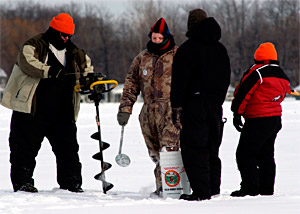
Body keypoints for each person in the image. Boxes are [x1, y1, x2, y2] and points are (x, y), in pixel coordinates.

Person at [1, 13, 96, 193]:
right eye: (63, 35)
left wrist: (91, 82)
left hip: (63, 113)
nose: (66, 38)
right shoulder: (34, 45)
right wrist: (50, 71)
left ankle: (72, 185)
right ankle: (23, 184)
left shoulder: (76, 53)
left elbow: (87, 70)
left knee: (69, 153)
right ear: (54, 30)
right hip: (32, 110)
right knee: (24, 151)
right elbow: (27, 63)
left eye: (69, 36)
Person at [170, 9, 231, 201]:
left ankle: (201, 192)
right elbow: (226, 78)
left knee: (195, 148)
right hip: (215, 104)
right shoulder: (220, 49)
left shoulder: (187, 49)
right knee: (213, 148)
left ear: (190, 26)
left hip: (194, 105)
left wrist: (176, 106)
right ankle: (213, 188)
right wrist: (217, 99)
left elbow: (179, 81)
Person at [117, 17, 180, 197]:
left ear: (167, 37)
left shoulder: (177, 55)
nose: (157, 41)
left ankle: (171, 189)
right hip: (148, 113)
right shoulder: (142, 57)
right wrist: (125, 108)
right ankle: (162, 188)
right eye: (154, 38)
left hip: (171, 111)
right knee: (155, 154)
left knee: (169, 151)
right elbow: (131, 83)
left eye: (160, 38)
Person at [230, 42, 293, 197]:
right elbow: (283, 94)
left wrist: (237, 113)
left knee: (245, 154)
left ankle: (250, 188)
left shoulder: (257, 72)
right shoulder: (281, 74)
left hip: (257, 119)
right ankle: (266, 189)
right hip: (275, 119)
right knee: (266, 155)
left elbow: (243, 94)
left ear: (258, 55)